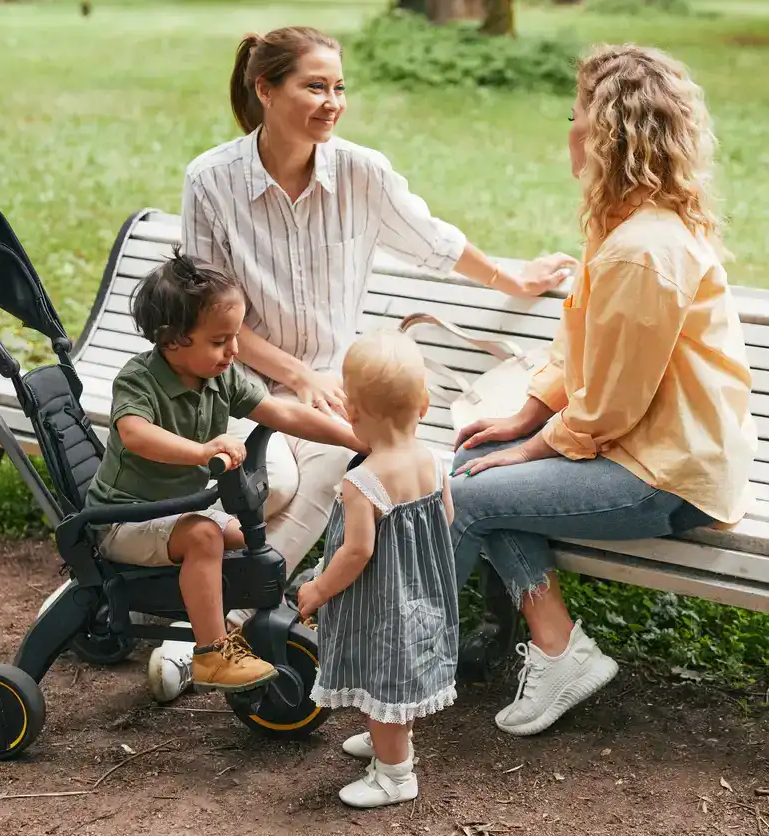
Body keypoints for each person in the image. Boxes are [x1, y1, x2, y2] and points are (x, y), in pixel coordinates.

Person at [148, 24, 573, 702]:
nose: (332, 101)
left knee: (376, 474)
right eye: (314, 86)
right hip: (246, 380)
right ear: (266, 89)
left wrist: (514, 278)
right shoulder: (212, 180)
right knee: (287, 483)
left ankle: (220, 627)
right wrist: (298, 376)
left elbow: (433, 241)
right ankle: (225, 620)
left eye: (339, 87)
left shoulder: (361, 172)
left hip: (343, 384)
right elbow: (210, 319)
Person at [450, 43, 758, 737]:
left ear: (608, 134)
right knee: (474, 473)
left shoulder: (645, 249)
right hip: (637, 451)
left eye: (576, 114)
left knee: (464, 496)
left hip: (666, 477)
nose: (569, 130)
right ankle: (561, 651)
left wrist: (533, 451)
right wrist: (525, 417)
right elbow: (577, 346)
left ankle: (402, 670)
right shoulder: (619, 227)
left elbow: (613, 404)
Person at [83, 251, 366, 699]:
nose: (234, 351)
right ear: (173, 340)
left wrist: (356, 439)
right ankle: (211, 652)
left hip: (171, 512)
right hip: (125, 519)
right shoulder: (139, 380)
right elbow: (135, 434)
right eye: (220, 341)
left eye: (235, 337)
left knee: (244, 539)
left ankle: (225, 615)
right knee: (206, 538)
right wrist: (201, 450)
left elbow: (284, 413)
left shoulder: (220, 376)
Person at [296, 330, 457, 809]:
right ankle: (391, 736)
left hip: (382, 602)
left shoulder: (362, 480)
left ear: (352, 412)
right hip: (422, 592)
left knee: (386, 673)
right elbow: (445, 517)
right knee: (405, 671)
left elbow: (356, 552)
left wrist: (318, 589)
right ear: (424, 404)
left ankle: (395, 774)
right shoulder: (431, 460)